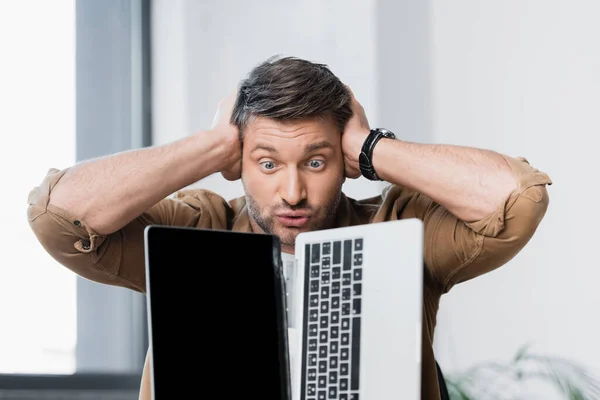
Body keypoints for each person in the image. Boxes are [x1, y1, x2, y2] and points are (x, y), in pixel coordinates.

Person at [27, 55, 551, 400]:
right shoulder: (201, 225)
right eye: (269, 162)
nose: (293, 193)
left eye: (316, 162)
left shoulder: (400, 225)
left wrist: (371, 147)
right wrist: (210, 146)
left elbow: (516, 199)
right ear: (239, 162)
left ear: (344, 162)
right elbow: (58, 218)